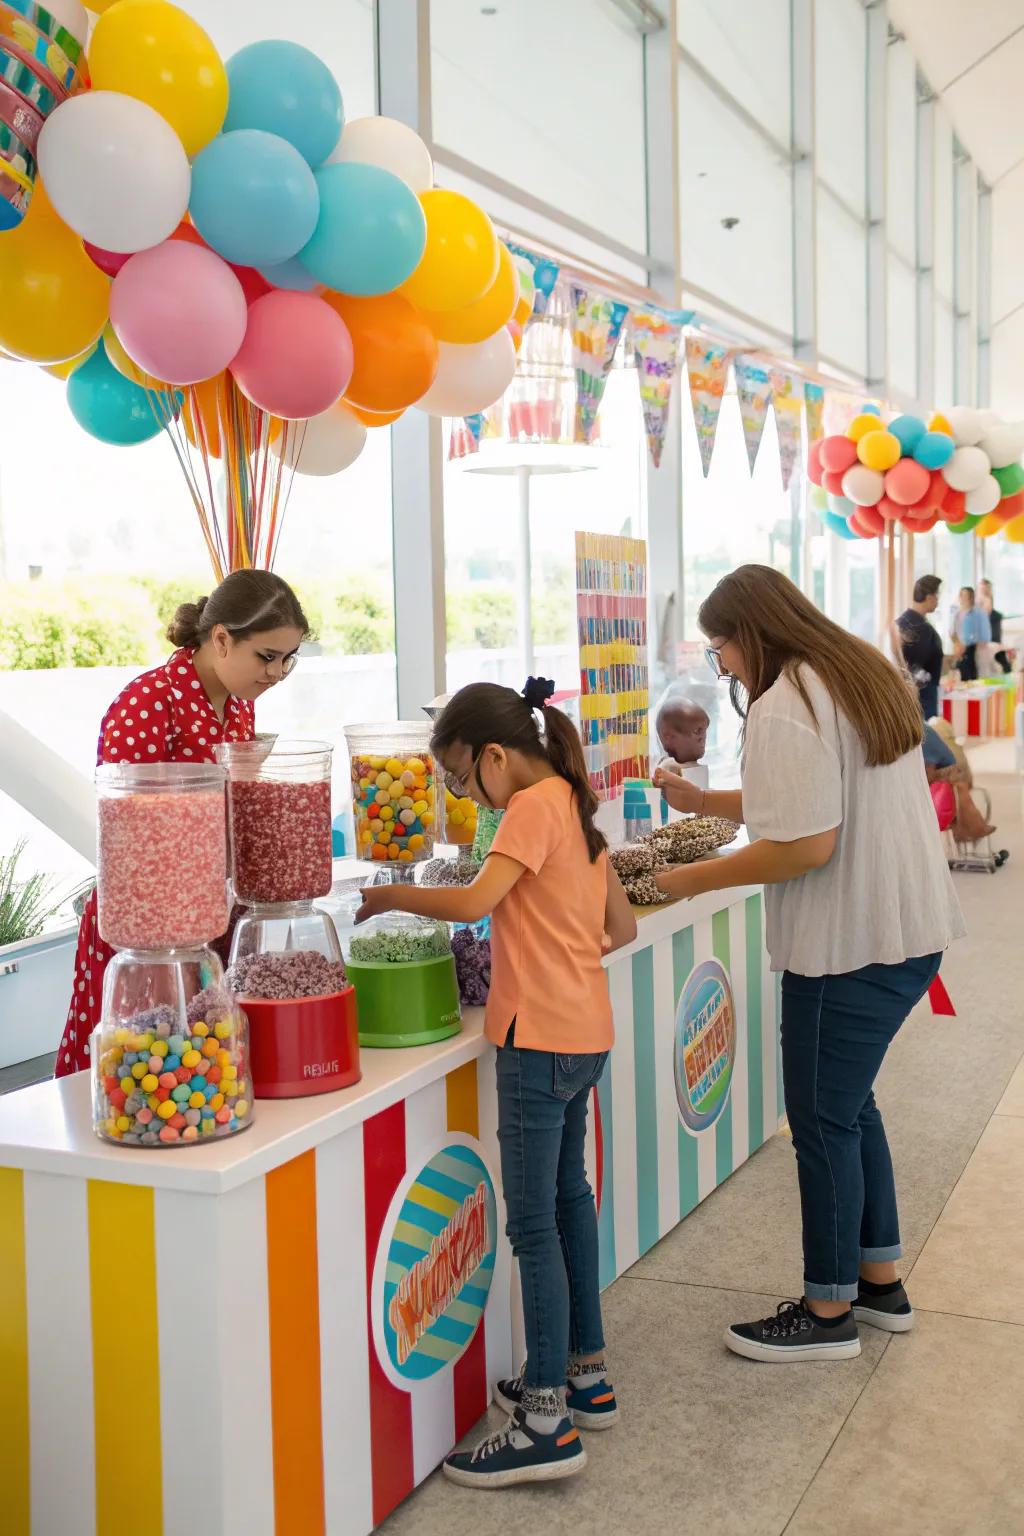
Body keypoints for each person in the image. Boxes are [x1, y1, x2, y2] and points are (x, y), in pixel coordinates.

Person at [652, 566, 964, 1363]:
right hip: (904, 929)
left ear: (747, 633)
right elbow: (811, 799)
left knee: (823, 1122)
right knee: (851, 1108)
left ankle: (828, 1315)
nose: (723, 668)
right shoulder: (851, 669)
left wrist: (683, 879)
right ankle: (879, 1284)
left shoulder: (787, 702)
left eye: (722, 649)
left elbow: (805, 843)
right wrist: (707, 805)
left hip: (846, 945)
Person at [357, 678, 636, 1487]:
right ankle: (586, 1374)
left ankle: (545, 1419)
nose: (459, 794)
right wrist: (560, 960)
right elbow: (618, 927)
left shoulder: (526, 809)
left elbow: (476, 898)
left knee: (533, 1229)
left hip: (535, 1041)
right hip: (586, 1034)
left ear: (491, 756)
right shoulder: (574, 801)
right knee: (569, 1203)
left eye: (456, 778)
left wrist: (382, 895)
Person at [56, 570, 308, 1077]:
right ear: (221, 639)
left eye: (288, 659)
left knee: (201, 1072)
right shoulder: (148, 703)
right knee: (135, 1069)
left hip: (207, 910)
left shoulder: (238, 709)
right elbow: (129, 834)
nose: (278, 672)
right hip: (145, 924)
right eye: (267, 656)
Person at [893, 574, 944, 720]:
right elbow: (915, 667)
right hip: (922, 697)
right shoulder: (921, 628)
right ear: (929, 597)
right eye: (937, 596)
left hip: (908, 694)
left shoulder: (902, 621)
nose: (938, 602)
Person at [655, 693, 710, 770]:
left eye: (705, 730)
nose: (703, 737)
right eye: (697, 731)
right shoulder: (668, 769)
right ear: (669, 737)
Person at [952, 586, 990, 683]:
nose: (962, 597)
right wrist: (957, 644)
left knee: (973, 678)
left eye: (964, 595)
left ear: (971, 597)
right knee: (961, 678)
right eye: (961, 595)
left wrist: (978, 646)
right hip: (960, 650)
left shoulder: (979, 613)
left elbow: (985, 635)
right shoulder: (957, 613)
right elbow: (953, 632)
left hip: (973, 649)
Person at [978, 578, 1011, 674]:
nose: (985, 591)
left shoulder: (995, 615)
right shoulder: (978, 605)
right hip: (984, 642)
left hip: (993, 641)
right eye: (982, 589)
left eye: (987, 589)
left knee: (1001, 660)